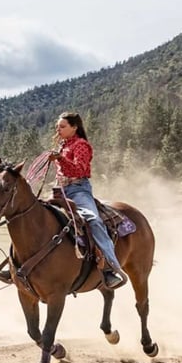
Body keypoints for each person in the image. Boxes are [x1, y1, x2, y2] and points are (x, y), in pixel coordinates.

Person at [47, 112, 126, 290]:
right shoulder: (62, 145)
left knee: (93, 220)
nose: (58, 129)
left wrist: (60, 159)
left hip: (78, 190)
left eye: (62, 126)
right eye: (57, 127)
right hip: (60, 190)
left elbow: (80, 170)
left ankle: (110, 267)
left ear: (74, 127)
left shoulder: (81, 145)